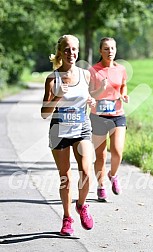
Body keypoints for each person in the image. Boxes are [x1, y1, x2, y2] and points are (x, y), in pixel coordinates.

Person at [41, 35, 95, 236]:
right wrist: (57, 96)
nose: (71, 53)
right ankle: (67, 217)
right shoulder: (52, 78)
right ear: (60, 52)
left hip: (81, 128)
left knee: (86, 172)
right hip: (59, 131)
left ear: (78, 51)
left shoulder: (85, 75)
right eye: (66, 49)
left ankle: (81, 205)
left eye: (74, 49)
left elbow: (85, 98)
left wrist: (90, 102)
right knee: (66, 177)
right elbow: (45, 113)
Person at [89, 37, 129, 202]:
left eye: (112, 48)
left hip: (117, 114)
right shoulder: (93, 71)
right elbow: (91, 94)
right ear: (100, 51)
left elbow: (123, 85)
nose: (110, 51)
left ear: (116, 50)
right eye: (106, 48)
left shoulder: (121, 69)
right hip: (98, 116)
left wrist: (124, 94)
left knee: (117, 152)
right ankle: (101, 186)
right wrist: (102, 88)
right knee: (100, 155)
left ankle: (113, 175)